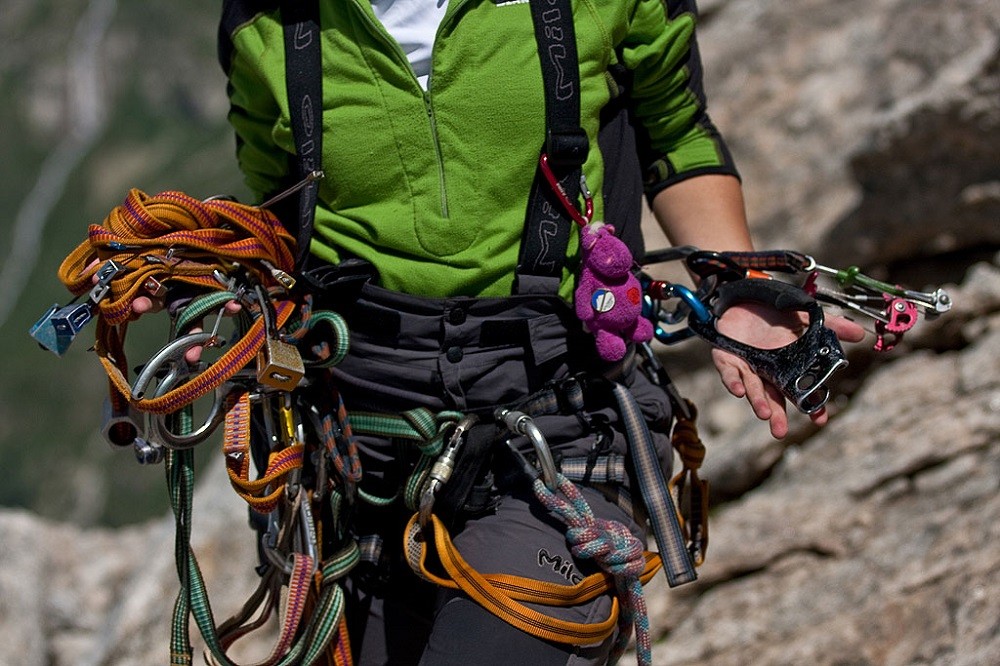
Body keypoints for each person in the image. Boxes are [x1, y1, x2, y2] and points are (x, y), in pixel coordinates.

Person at [128, 0, 866, 664]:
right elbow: (284, 205)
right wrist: (215, 286)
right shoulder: (266, 20)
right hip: (358, 455)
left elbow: (673, 126)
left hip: (558, 421)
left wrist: (735, 284)